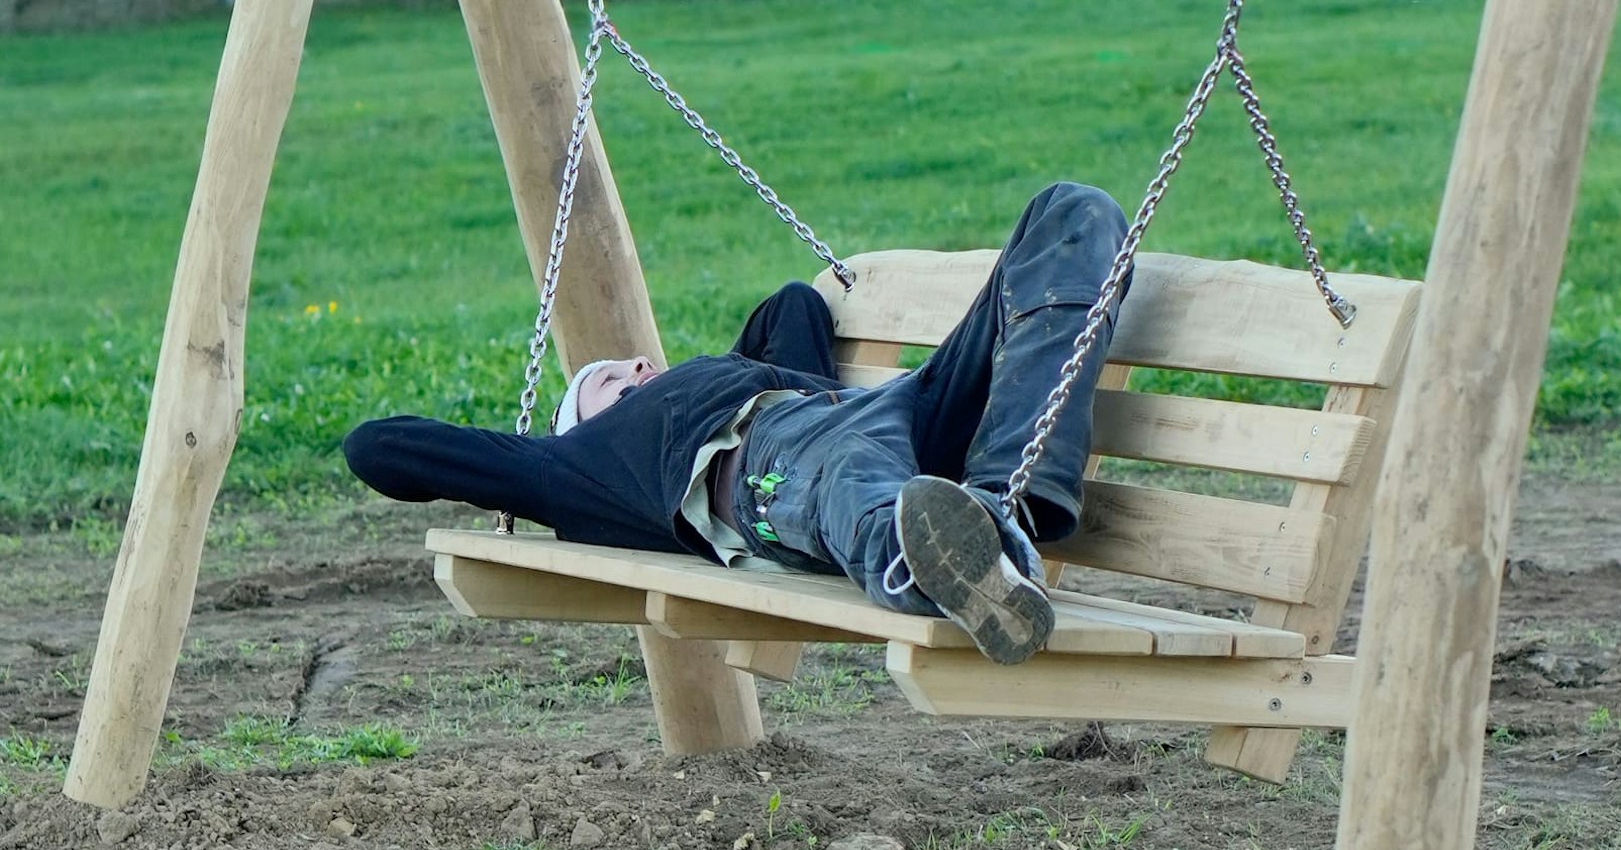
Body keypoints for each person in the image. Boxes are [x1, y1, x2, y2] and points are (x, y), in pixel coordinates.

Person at [344, 181, 1129, 666]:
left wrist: (726, 366)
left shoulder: (733, 376)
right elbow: (375, 447)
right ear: (571, 432)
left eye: (635, 363)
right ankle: (927, 566)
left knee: (1068, 210)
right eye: (611, 383)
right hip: (769, 470)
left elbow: (792, 303)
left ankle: (998, 512)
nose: (639, 371)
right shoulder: (579, 469)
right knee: (844, 477)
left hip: (878, 413)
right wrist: (534, 461)